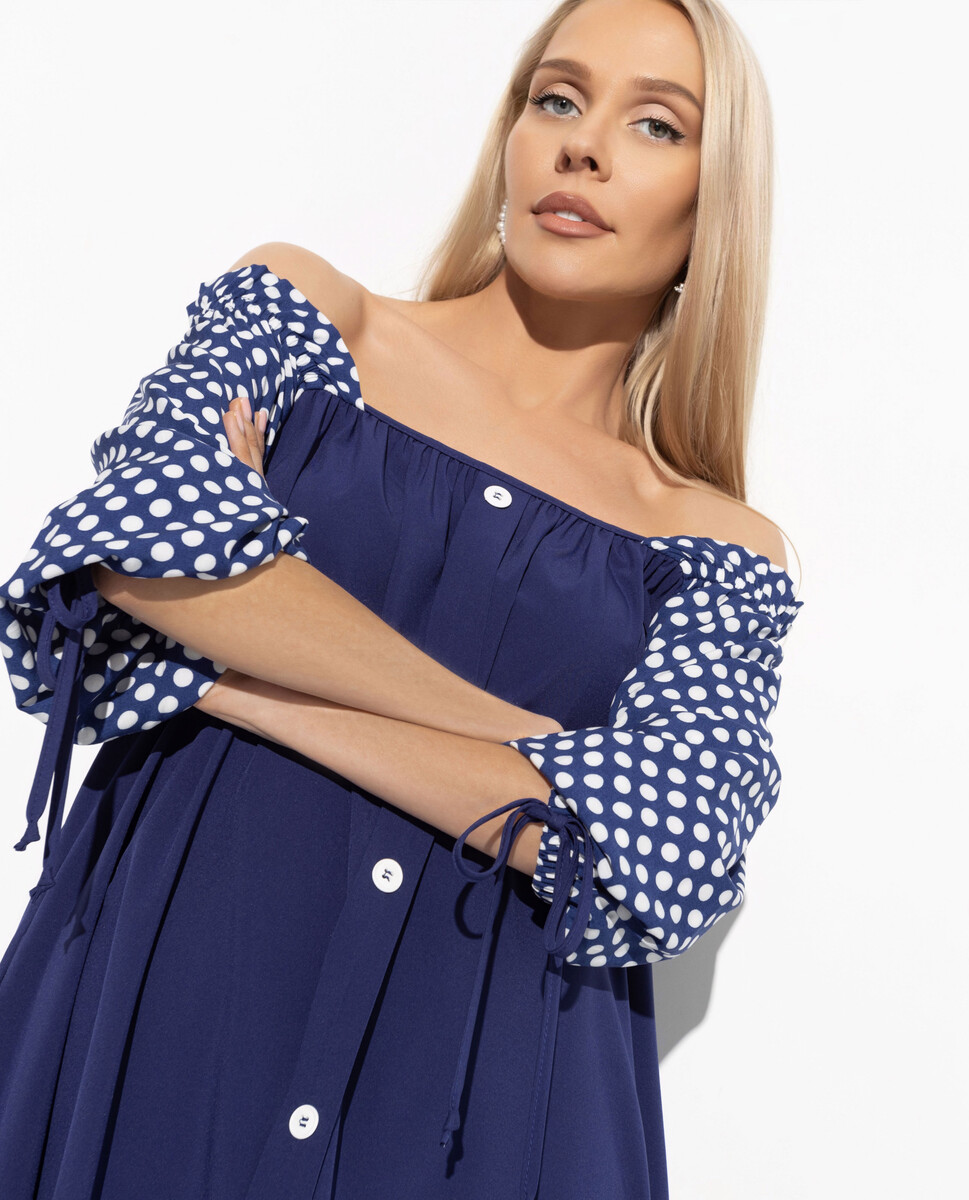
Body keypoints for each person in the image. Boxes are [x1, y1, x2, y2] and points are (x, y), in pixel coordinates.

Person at [0, 0, 803, 1195]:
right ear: (510, 137)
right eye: (558, 99)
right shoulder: (312, 317)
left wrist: (236, 682)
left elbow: (662, 849)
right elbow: (135, 548)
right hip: (172, 990)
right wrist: (531, 747)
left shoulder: (714, 546)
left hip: (483, 1097)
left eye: (655, 125)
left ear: (713, 203)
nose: (583, 147)